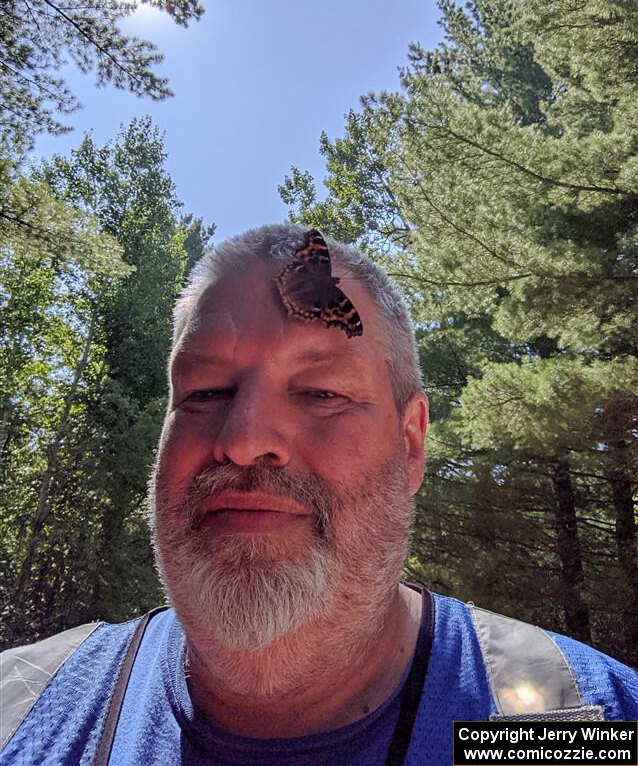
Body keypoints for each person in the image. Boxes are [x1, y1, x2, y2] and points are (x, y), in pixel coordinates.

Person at [1, 224, 636, 766]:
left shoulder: (586, 723)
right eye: (205, 392)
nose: (245, 440)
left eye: (321, 393)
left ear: (410, 444)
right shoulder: (17, 708)